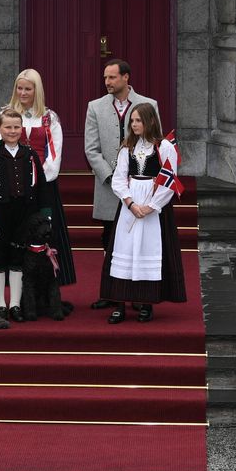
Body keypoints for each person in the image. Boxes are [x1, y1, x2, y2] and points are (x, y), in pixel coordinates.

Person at [0, 68, 76, 301]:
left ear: (36, 90)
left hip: (42, 186)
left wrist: (36, 179)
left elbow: (54, 153)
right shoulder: (5, 115)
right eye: (20, 88)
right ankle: (14, 296)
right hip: (11, 188)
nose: (23, 92)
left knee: (45, 235)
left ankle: (48, 291)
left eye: (28, 88)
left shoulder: (50, 118)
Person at [98, 103, 185, 324]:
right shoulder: (127, 147)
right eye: (132, 121)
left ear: (151, 121)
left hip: (153, 208)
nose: (135, 125)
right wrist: (130, 203)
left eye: (139, 120)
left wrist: (151, 206)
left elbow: (169, 179)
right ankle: (119, 305)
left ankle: (146, 303)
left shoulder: (163, 146)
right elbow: (119, 178)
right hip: (130, 204)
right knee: (123, 249)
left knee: (148, 249)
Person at [84, 59, 159, 310]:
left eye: (112, 77)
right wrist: (110, 176)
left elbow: (154, 142)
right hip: (108, 186)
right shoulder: (95, 107)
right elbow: (91, 149)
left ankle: (137, 292)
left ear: (126, 77)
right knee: (109, 237)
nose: (107, 82)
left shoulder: (148, 105)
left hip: (140, 185)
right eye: (105, 77)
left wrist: (139, 176)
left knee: (138, 237)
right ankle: (112, 291)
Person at [0, 107, 46, 321]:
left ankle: (15, 304)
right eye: (8, 127)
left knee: (18, 258)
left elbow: (42, 186)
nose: (12, 131)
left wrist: (44, 216)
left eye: (16, 127)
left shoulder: (30, 155)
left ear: (21, 129)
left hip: (23, 214)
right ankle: (0, 305)